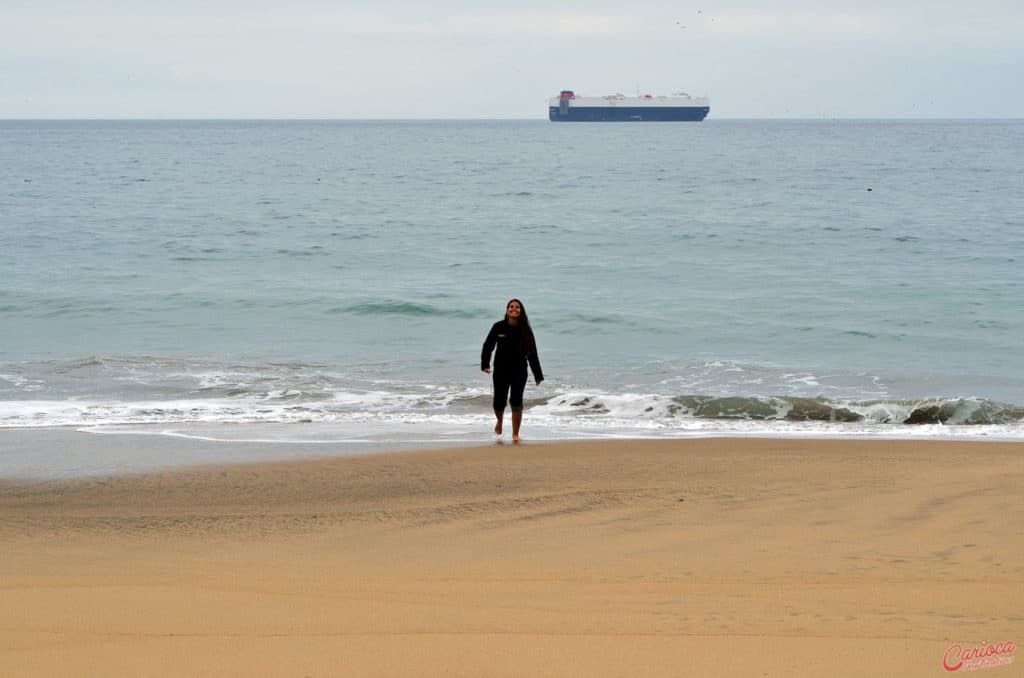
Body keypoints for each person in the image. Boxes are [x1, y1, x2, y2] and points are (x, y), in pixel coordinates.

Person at [481, 298, 543, 444]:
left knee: (516, 401)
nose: (514, 309)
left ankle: (515, 434)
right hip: (501, 370)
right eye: (511, 306)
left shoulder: (526, 330)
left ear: (521, 311)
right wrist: (485, 363)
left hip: (519, 370)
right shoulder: (498, 327)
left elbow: (532, 353)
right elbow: (488, 345)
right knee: (499, 401)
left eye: (517, 307)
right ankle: (499, 421)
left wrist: (537, 374)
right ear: (507, 309)